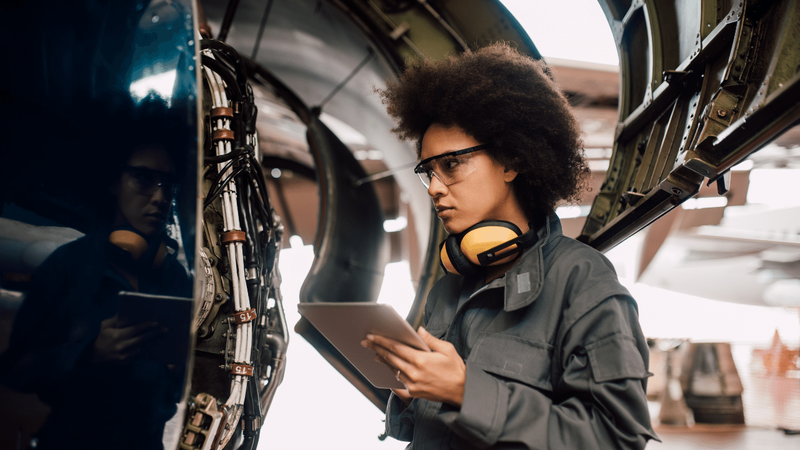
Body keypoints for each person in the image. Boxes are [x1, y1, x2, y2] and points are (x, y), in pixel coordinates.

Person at [362, 43, 658, 449]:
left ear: (511, 161)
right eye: (428, 171)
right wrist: (412, 394)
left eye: (452, 165)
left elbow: (617, 439)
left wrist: (465, 391)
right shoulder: (448, 290)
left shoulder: (581, 282)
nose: (433, 188)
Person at [0, 131, 192, 449]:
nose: (161, 197)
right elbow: (15, 370)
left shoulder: (175, 277)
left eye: (168, 184)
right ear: (114, 182)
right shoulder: (68, 265)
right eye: (144, 178)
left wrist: (178, 370)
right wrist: (89, 354)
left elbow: (175, 390)